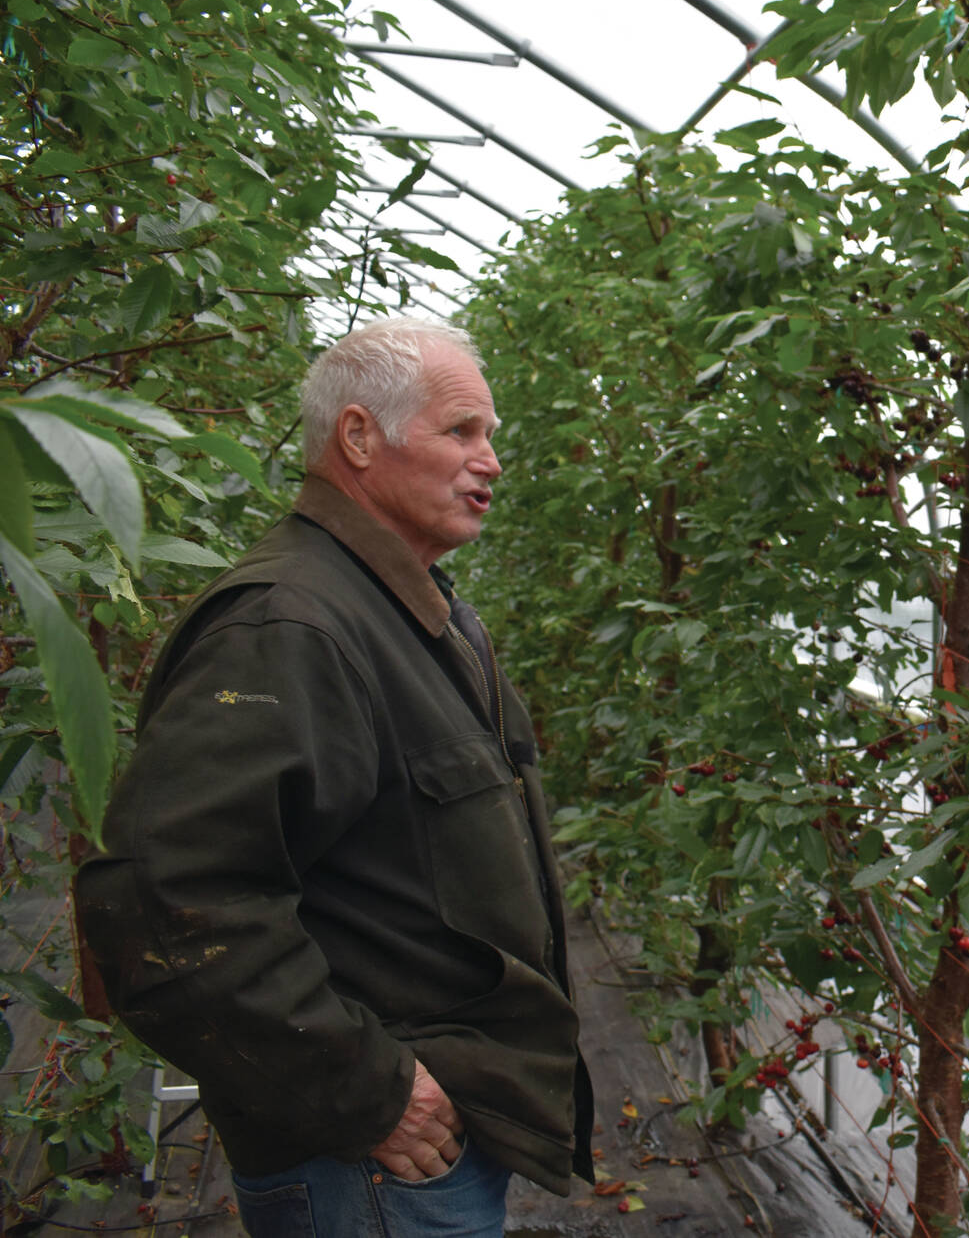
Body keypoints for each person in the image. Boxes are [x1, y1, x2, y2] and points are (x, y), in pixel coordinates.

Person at [76, 317, 593, 1237]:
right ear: (359, 437)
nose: (492, 462)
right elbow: (167, 904)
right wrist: (372, 1091)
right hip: (373, 1164)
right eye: (462, 430)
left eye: (493, 438)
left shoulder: (413, 612)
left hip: (430, 1144)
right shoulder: (291, 627)